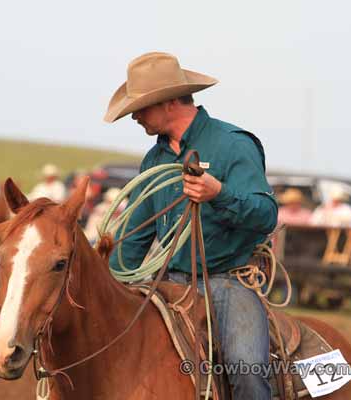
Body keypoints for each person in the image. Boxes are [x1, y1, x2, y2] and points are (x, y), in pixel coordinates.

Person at [105, 52, 277, 400]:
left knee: (247, 372)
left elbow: (265, 215)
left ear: (168, 103)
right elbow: (136, 237)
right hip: (167, 283)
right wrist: (103, 280)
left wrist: (219, 193)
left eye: (142, 106)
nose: (135, 115)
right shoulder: (154, 160)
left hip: (226, 282)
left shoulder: (233, 144)